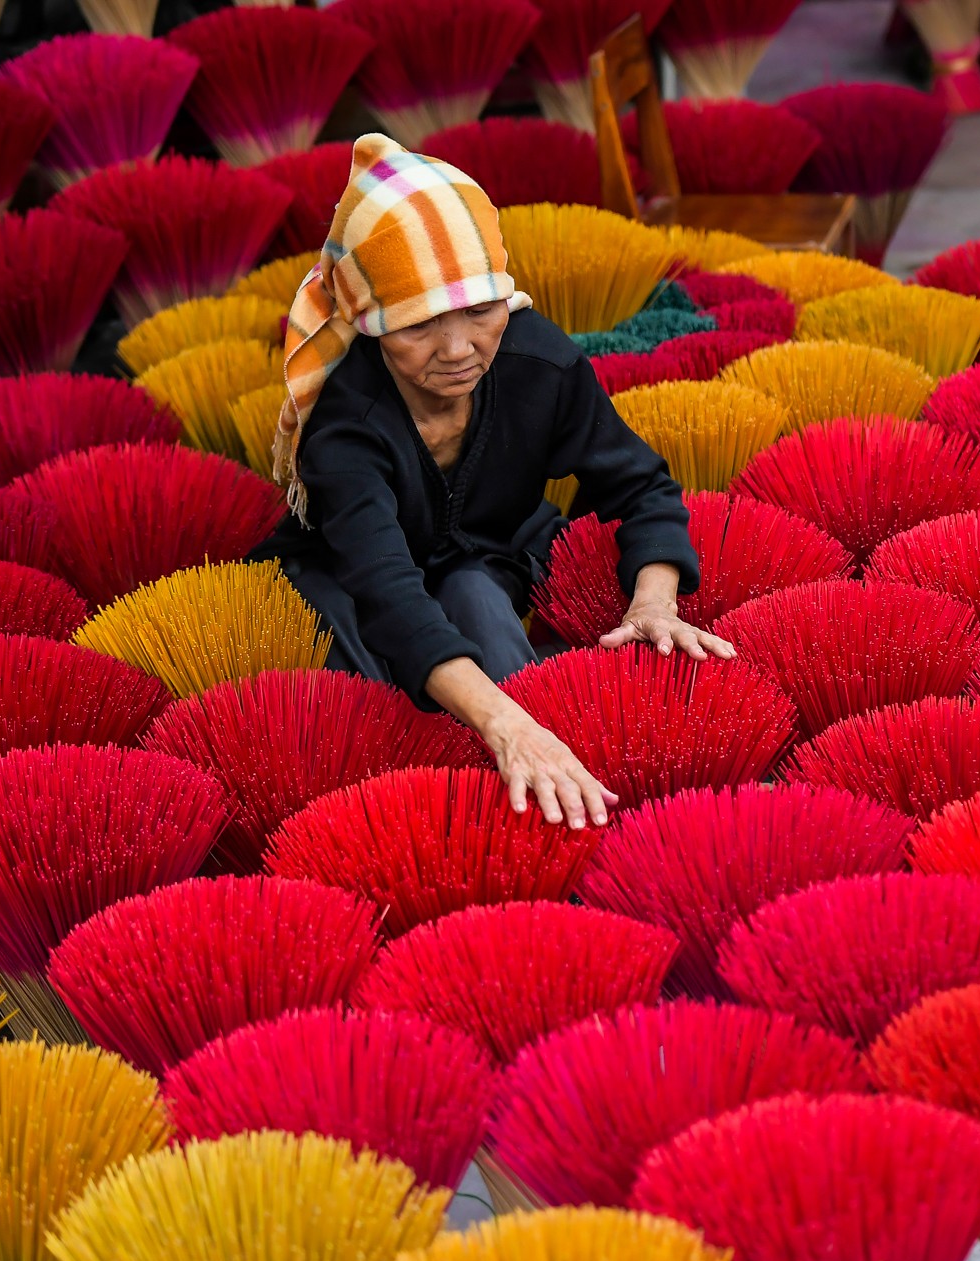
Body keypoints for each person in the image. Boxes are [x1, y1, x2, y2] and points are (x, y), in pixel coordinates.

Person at [261, 133, 733, 833]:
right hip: (352, 592)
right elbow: (389, 591)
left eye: (481, 312)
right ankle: (464, 806)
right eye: (421, 324)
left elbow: (642, 489)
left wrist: (654, 604)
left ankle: (560, 796)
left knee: (476, 594)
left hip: (492, 561)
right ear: (371, 325)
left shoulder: (538, 363)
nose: (458, 349)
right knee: (376, 685)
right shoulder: (347, 426)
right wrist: (508, 727)